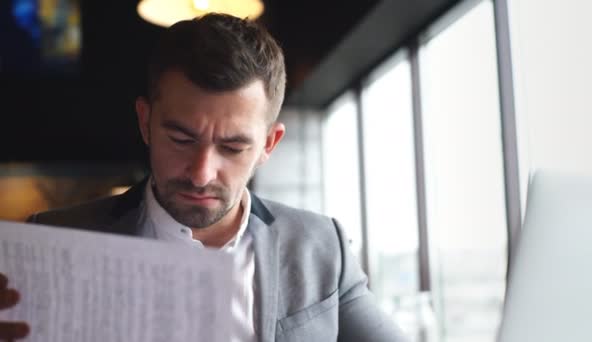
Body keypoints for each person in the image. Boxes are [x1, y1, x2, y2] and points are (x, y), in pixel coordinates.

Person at [0, 13, 407, 341]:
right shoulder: (57, 238)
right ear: (145, 122)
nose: (200, 173)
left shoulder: (321, 247)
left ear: (269, 143)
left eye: (232, 147)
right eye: (180, 138)